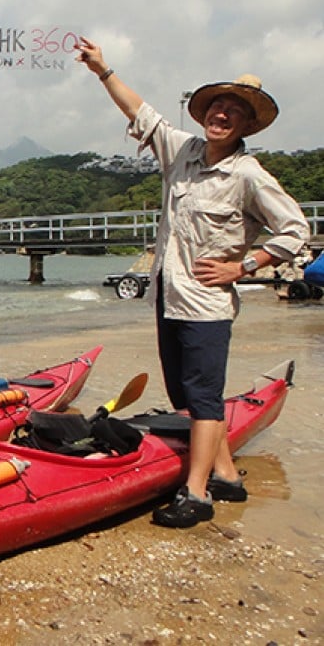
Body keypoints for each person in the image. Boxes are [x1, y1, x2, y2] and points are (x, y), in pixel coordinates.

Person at [75, 37, 310, 528]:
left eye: (233, 112)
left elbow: (295, 229)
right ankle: (226, 475)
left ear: (246, 126)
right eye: (217, 107)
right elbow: (141, 113)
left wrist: (244, 266)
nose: (221, 115)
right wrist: (103, 71)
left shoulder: (248, 175)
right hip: (169, 295)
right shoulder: (182, 150)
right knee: (185, 397)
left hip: (206, 305)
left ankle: (197, 495)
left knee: (203, 400)